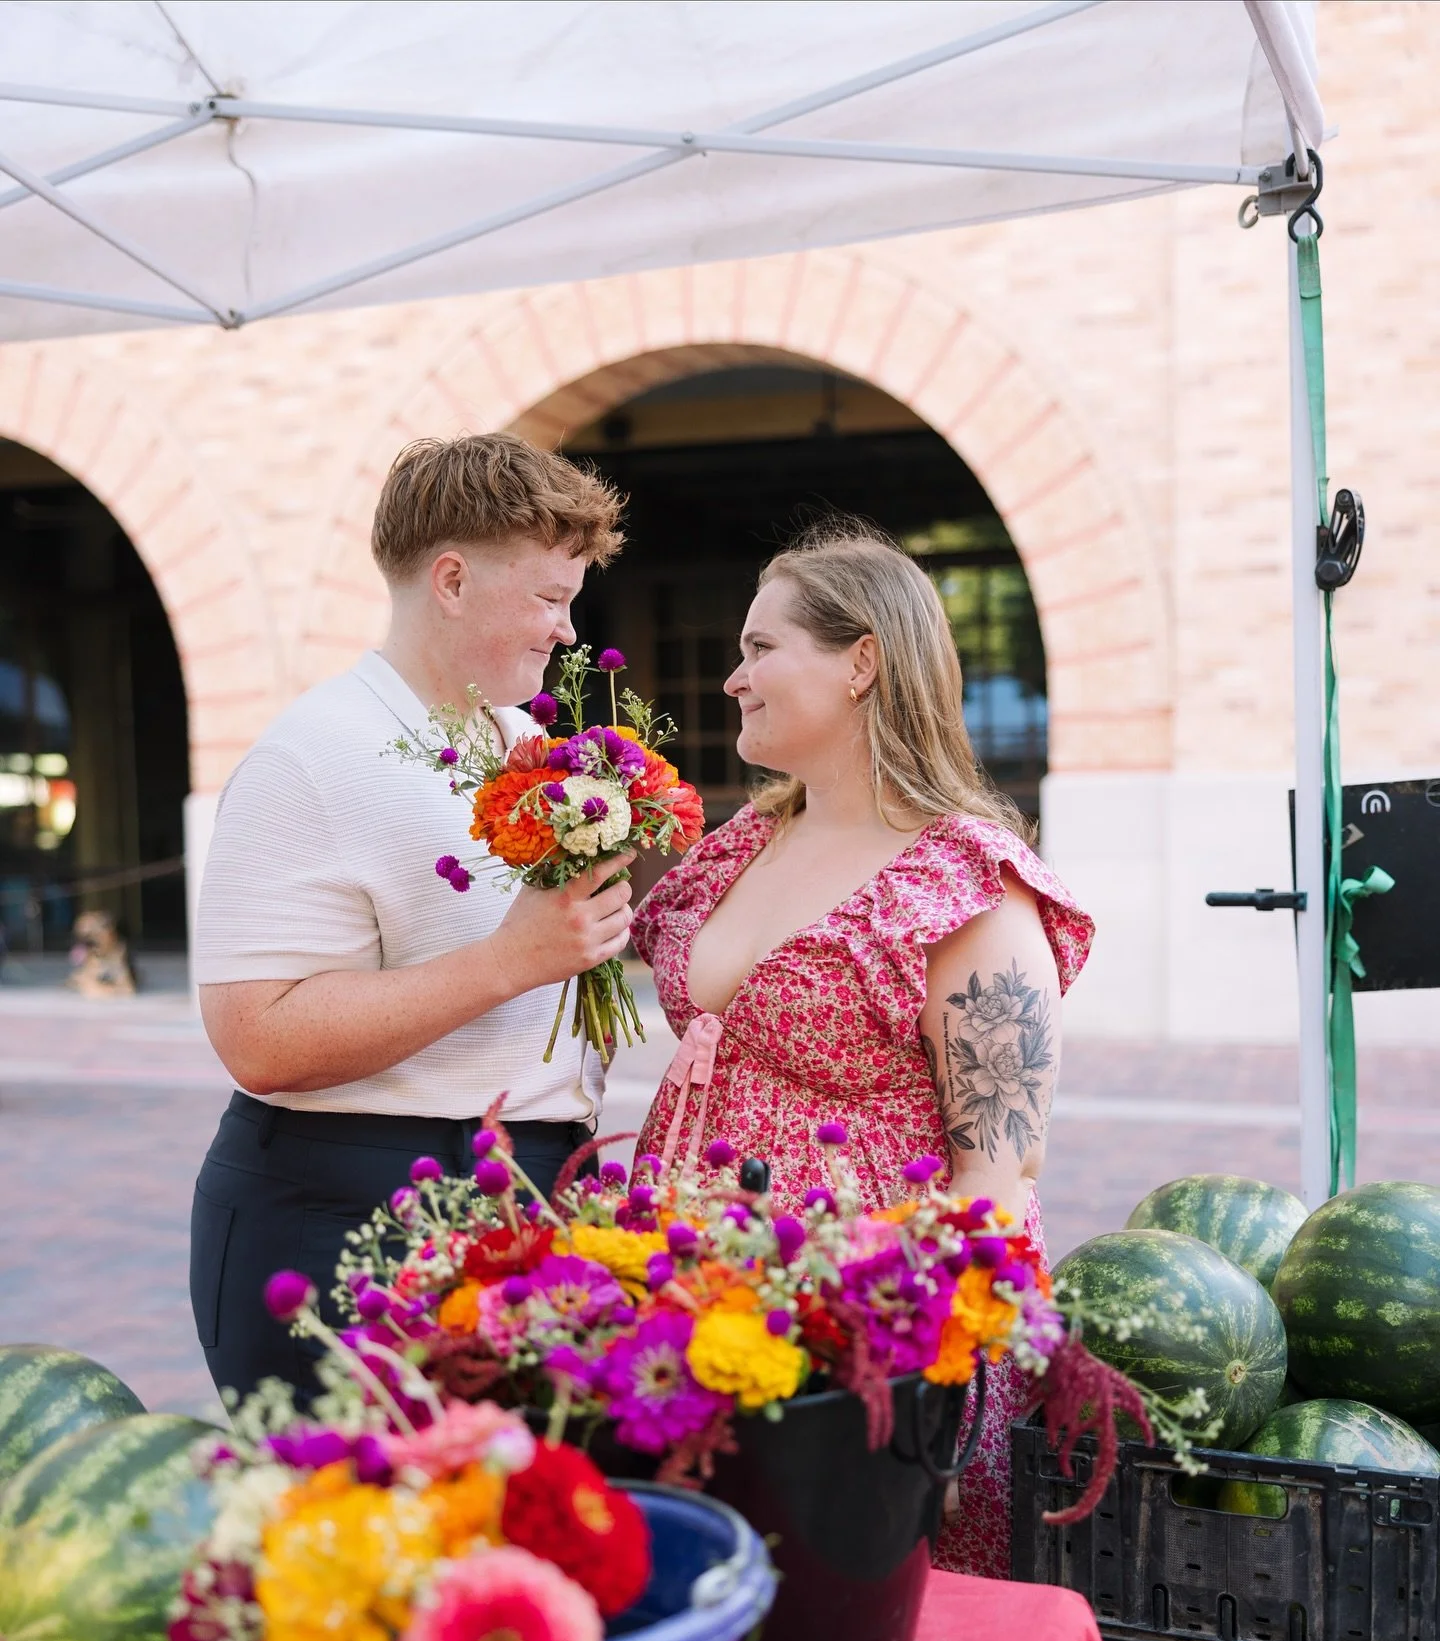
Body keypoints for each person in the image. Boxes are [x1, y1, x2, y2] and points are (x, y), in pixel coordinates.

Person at [630, 522, 1093, 1579]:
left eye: (761, 648)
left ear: (862, 664)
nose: (733, 677)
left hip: (857, 1348)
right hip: (693, 1301)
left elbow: (998, 1171)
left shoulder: (965, 886)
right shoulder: (747, 841)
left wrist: (908, 1368)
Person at [191, 434, 635, 1406]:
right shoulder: (311, 753)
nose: (568, 631)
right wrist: (512, 961)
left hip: (527, 1191)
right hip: (354, 1209)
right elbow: (255, 1037)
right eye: (550, 598)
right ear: (450, 580)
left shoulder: (524, 739)